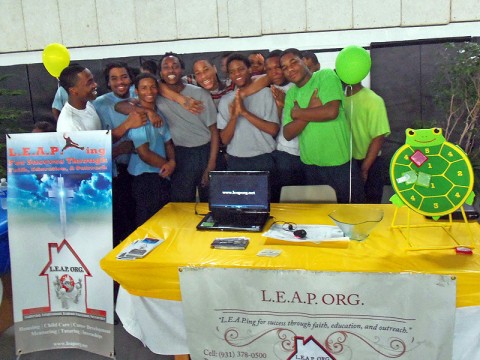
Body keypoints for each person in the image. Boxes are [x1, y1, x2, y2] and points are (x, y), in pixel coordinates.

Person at [280, 48, 364, 204]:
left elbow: (331, 112)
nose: (290, 69)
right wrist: (312, 111)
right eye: (284, 67)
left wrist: (299, 113)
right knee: (319, 218)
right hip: (311, 167)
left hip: (339, 165)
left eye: (293, 62)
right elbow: (288, 133)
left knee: (349, 214)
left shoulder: (325, 76)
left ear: (304, 61)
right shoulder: (291, 94)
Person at [93, 62, 152, 243]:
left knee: (143, 218)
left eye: (124, 76)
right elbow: (97, 146)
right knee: (123, 223)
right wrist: (119, 149)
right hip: (117, 173)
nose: (120, 82)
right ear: (108, 83)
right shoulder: (100, 105)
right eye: (114, 78)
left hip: (143, 169)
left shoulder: (142, 95)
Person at [156, 52, 219, 202]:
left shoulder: (200, 93)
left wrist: (211, 164)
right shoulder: (156, 96)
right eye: (166, 67)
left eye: (175, 66)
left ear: (182, 70)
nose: (171, 71)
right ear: (160, 72)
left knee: (211, 203)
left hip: (205, 151)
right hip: (180, 155)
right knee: (181, 203)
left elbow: (214, 131)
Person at [127, 73, 175, 226]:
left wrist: (172, 161)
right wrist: (166, 165)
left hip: (161, 176)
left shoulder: (159, 114)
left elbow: (168, 142)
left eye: (153, 87)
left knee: (163, 222)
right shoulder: (137, 117)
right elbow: (144, 153)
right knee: (147, 225)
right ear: (136, 91)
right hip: (144, 178)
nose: (149, 91)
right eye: (144, 88)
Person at [217, 53, 279, 172]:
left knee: (270, 191)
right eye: (232, 71)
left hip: (264, 157)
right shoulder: (226, 101)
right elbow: (224, 140)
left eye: (241, 69)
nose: (237, 74)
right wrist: (234, 117)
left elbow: (273, 130)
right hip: (236, 160)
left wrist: (245, 113)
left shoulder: (266, 94)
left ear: (250, 69)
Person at [264, 50, 304, 201]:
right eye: (269, 69)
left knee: (305, 197)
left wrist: (284, 102)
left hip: (306, 152)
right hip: (285, 152)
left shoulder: (298, 86)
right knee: (285, 197)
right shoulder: (269, 90)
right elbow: (277, 126)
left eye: (278, 67)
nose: (275, 72)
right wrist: (281, 105)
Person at [345, 82, 391, 203]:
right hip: (346, 164)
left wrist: (364, 169)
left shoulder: (374, 100)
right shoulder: (338, 100)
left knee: (370, 209)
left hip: (369, 163)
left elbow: (379, 137)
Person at [56, 65, 101, 132]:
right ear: (73, 90)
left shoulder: (87, 104)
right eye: (89, 83)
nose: (95, 85)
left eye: (93, 80)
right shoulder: (69, 126)